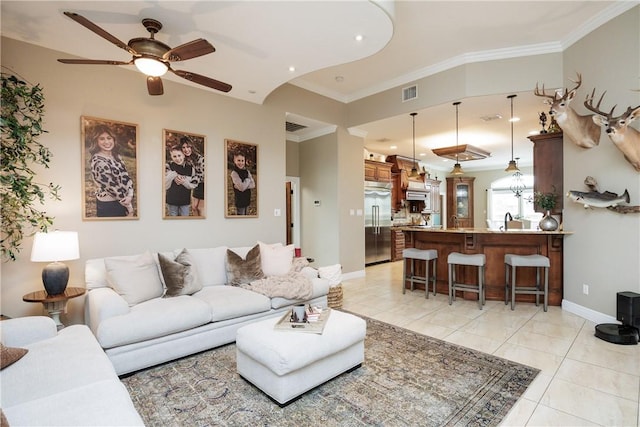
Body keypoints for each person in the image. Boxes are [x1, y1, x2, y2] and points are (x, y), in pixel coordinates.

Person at [88, 124, 134, 217]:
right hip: (109, 206)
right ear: (96, 141)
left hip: (123, 201)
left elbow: (126, 177)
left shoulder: (116, 156)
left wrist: (130, 194)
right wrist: (129, 207)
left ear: (113, 139)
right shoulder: (98, 161)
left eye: (109, 138)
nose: (106, 142)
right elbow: (111, 187)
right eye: (102, 139)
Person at [165, 145, 196, 216]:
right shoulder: (168, 166)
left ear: (184, 155)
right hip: (171, 200)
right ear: (171, 156)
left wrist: (184, 180)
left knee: (184, 220)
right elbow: (165, 185)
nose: (177, 158)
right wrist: (174, 175)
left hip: (185, 201)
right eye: (174, 156)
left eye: (179, 155)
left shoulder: (190, 168)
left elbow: (192, 184)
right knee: (173, 220)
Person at [181, 137, 205, 216]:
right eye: (183, 147)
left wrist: (191, 179)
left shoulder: (200, 159)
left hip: (203, 184)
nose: (186, 150)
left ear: (192, 147)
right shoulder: (184, 159)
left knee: (200, 208)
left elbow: (204, 175)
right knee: (194, 207)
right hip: (195, 185)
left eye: (188, 147)